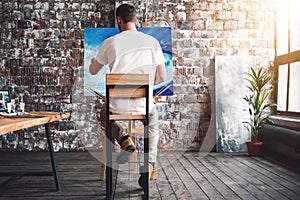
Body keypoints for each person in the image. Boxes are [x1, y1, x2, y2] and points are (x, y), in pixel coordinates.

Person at [89, 4, 167, 191]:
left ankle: (124, 138)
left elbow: (93, 71)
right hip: (143, 105)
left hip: (116, 107)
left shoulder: (110, 42)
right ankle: (148, 165)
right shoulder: (151, 42)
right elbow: (162, 77)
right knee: (153, 120)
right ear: (136, 20)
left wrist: (94, 62)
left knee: (103, 112)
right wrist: (147, 87)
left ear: (119, 20)